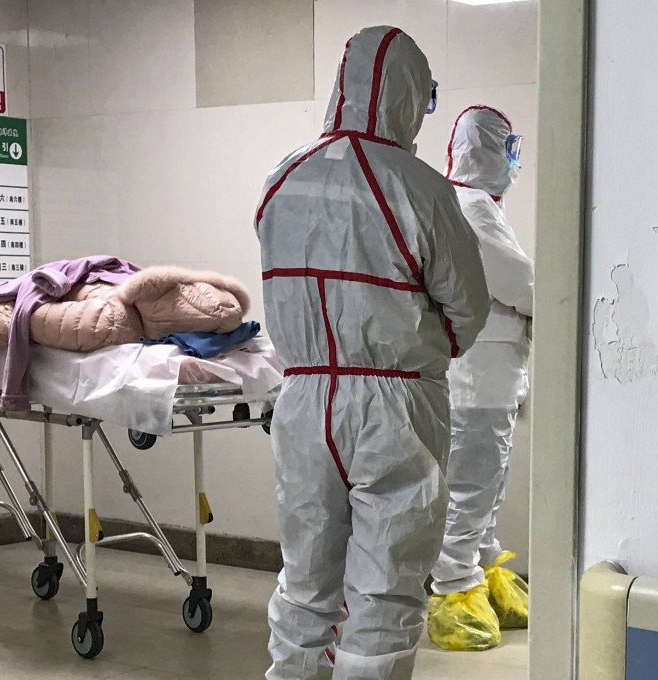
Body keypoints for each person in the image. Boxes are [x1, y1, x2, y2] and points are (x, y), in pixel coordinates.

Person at [254, 26, 490, 680]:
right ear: (411, 97)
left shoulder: (282, 178)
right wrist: (422, 345)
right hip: (395, 404)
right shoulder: (420, 185)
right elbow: (466, 310)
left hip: (302, 400)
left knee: (305, 580)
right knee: (385, 589)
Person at [427, 106, 534, 652]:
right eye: (509, 148)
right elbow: (521, 283)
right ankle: (453, 592)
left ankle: (482, 569)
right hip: (476, 377)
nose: (515, 160)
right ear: (487, 149)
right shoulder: (468, 208)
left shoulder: (481, 207)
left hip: (493, 375)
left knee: (487, 485)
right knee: (471, 488)